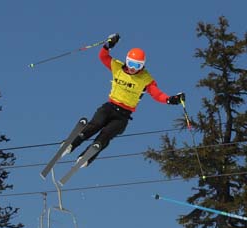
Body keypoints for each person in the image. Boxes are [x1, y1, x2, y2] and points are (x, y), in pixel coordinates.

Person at [62, 33, 185, 167]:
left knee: (105, 135)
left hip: (123, 116)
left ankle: (86, 157)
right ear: (126, 61)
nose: (132, 68)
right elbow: (103, 57)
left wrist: (170, 99)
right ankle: (71, 144)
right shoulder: (117, 67)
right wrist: (108, 45)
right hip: (109, 107)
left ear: (142, 66)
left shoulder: (145, 79)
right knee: (95, 125)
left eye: (137, 66)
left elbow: (157, 95)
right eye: (131, 63)